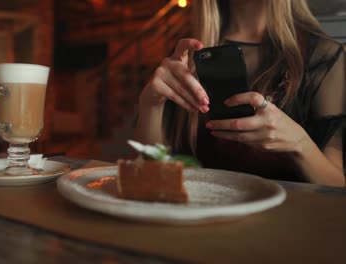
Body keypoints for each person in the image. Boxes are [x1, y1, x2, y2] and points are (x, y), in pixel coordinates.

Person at [134, 0, 345, 186]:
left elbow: (337, 186)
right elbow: (150, 175)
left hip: (282, 226)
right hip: (195, 221)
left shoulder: (322, 56)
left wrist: (299, 143)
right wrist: (151, 104)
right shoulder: (185, 51)